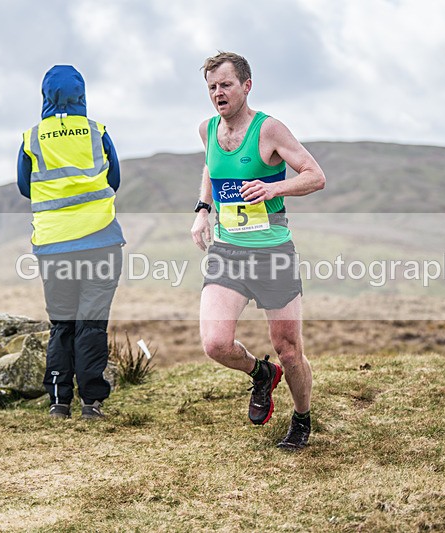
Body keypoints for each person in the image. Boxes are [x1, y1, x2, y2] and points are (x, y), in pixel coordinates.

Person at [190, 52, 326, 450]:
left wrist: (273, 188)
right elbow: (212, 171)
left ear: (246, 86)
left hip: (272, 253)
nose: (218, 93)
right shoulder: (207, 130)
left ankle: (301, 418)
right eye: (212, 87)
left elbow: (315, 176)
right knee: (215, 343)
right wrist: (203, 209)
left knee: (290, 350)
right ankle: (261, 374)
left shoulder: (269, 130)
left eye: (226, 85)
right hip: (228, 251)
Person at [18, 65, 124, 420]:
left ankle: (59, 402)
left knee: (62, 323)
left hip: (53, 245)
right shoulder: (97, 131)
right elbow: (116, 178)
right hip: (100, 238)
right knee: (91, 322)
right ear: (82, 94)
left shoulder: (32, 137)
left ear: (45, 95)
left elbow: (23, 186)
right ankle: (91, 402)